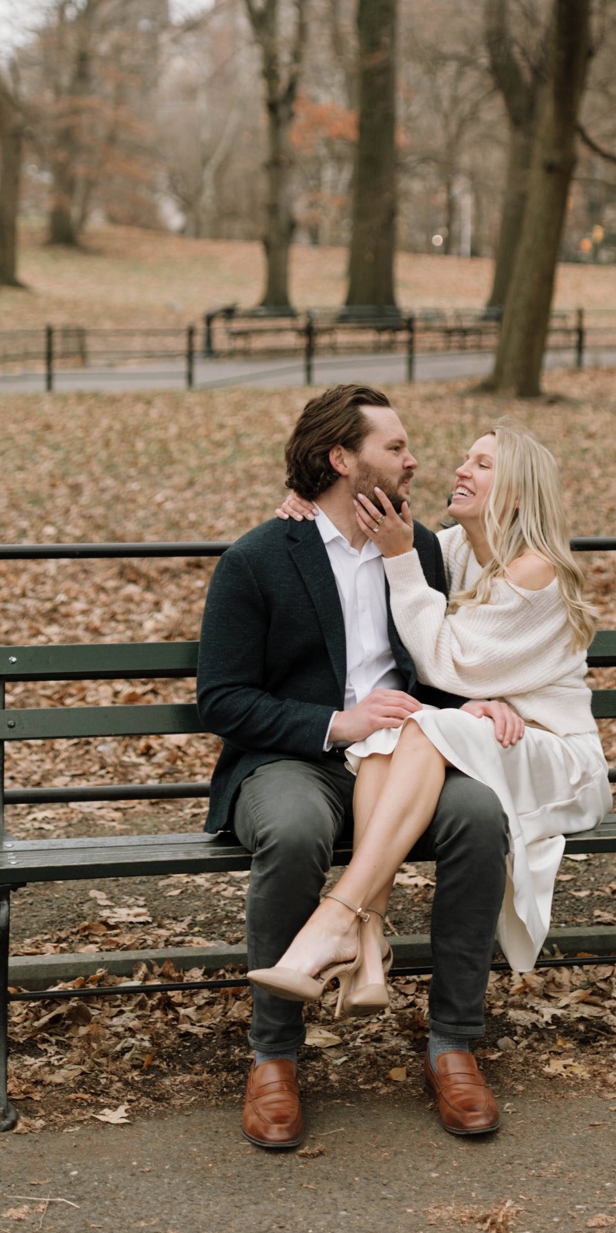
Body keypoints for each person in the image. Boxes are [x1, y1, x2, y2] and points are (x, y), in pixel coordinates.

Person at [195, 385, 510, 1152]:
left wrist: (472, 702)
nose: (413, 461)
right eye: (395, 448)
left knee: (478, 817)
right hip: (293, 759)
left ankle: (453, 1045)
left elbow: (438, 659)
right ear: (343, 459)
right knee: (298, 829)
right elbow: (224, 700)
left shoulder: (423, 546)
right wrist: (338, 722)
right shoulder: (260, 557)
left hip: (405, 760)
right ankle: (275, 1057)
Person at [256, 421, 611, 1058]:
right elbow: (390, 554)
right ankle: (362, 940)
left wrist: (397, 558)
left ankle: (342, 917)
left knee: (412, 724)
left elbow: (444, 663)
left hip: (552, 750)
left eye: (482, 464)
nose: (460, 471)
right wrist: (309, 505)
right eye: (463, 459)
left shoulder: (537, 571)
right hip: (490, 734)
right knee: (401, 731)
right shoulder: (454, 549)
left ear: (520, 495)